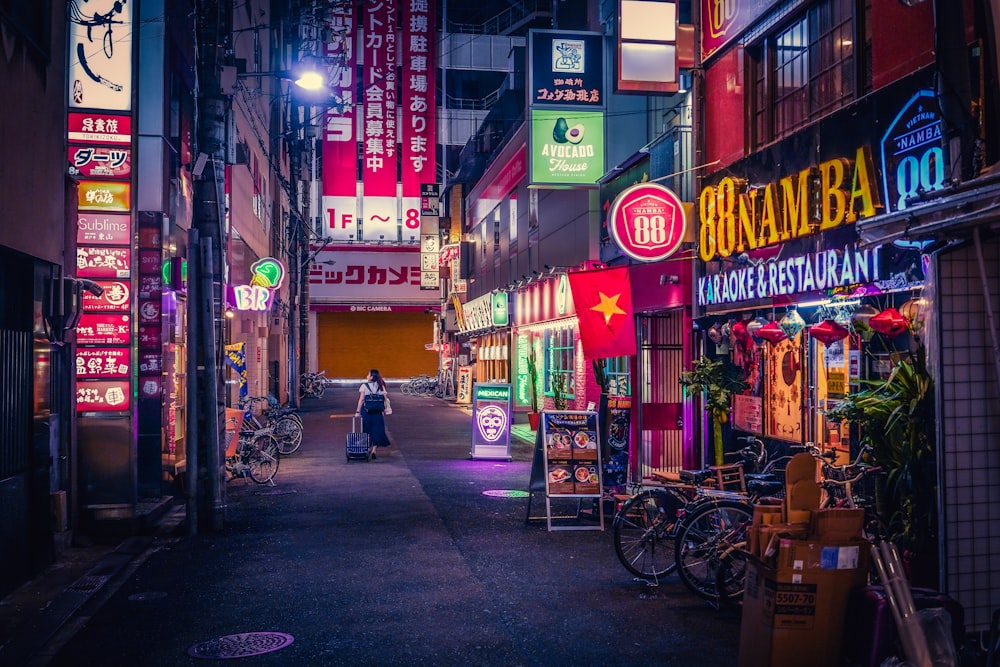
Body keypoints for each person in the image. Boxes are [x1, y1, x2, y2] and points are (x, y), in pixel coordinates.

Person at [355, 369, 392, 457]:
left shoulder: (364, 386)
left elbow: (361, 400)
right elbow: (385, 399)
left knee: (367, 430)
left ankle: (367, 448)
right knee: (376, 430)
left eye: (368, 375)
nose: (367, 376)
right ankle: (374, 451)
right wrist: (384, 410)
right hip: (378, 411)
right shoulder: (380, 385)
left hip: (366, 411)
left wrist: (357, 411)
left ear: (371, 377)